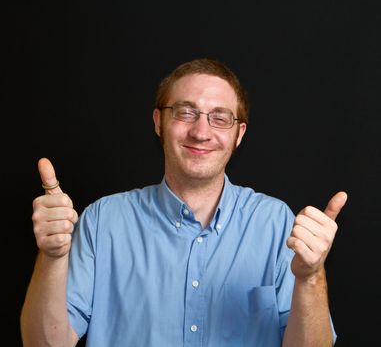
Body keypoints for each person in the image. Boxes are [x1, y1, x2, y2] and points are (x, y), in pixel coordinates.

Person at [21, 58, 347, 347]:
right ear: (158, 122)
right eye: (185, 112)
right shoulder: (102, 221)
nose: (201, 132)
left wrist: (311, 277)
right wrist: (51, 257)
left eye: (220, 118)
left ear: (239, 134)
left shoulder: (276, 223)